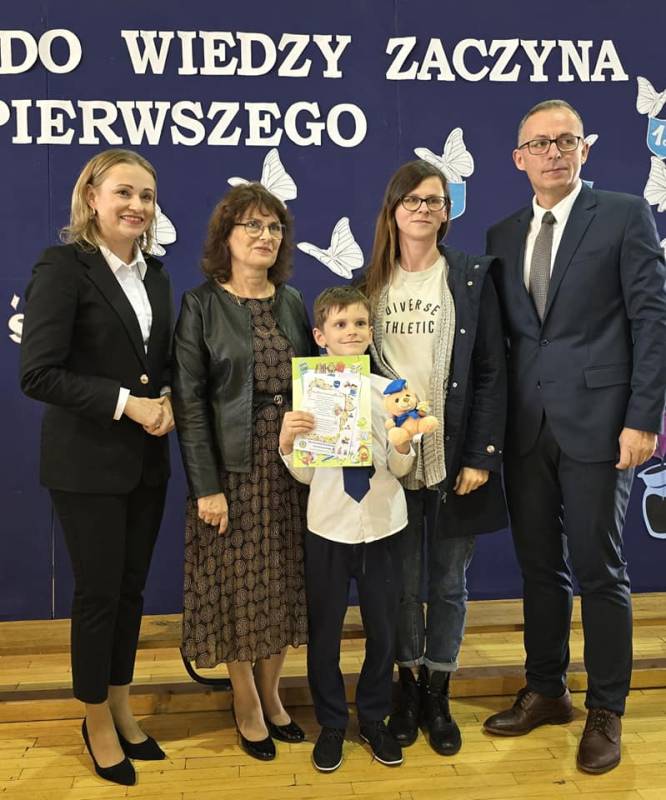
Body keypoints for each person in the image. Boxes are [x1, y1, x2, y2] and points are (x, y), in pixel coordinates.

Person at [484, 99, 666, 774]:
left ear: (584, 149)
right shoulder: (502, 234)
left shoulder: (623, 214)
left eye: (566, 141)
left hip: (603, 427)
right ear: (519, 158)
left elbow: (653, 321)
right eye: (540, 143)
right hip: (526, 429)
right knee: (539, 568)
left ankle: (606, 708)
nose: (553, 152)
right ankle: (547, 689)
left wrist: (644, 418)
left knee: (599, 569)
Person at [20, 149, 174, 786]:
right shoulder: (63, 267)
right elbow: (39, 373)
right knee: (98, 596)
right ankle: (95, 721)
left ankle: (121, 704)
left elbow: (157, 365)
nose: (137, 205)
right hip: (86, 466)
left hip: (147, 464)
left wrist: (167, 401)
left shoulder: (156, 274)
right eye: (124, 193)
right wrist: (126, 403)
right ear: (92, 197)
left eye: (146, 196)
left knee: (131, 592)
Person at [360, 160, 507, 756]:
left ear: (447, 213)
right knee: (401, 585)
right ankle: (408, 689)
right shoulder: (369, 285)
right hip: (392, 464)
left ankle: (439, 692)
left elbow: (492, 370)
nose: (424, 209)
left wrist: (480, 456)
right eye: (413, 200)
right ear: (393, 209)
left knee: (447, 584)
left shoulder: (469, 278)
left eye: (435, 200)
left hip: (455, 462)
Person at [172, 183, 318, 762]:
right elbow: (189, 402)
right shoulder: (201, 305)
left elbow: (315, 378)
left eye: (274, 227)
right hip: (231, 471)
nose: (265, 236)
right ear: (226, 237)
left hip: (290, 466)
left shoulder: (293, 301)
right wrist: (206, 486)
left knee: (282, 581)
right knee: (237, 587)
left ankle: (272, 692)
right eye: (252, 225)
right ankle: (245, 700)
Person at [279, 285, 415, 772]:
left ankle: (375, 717)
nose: (351, 332)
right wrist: (288, 441)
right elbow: (304, 476)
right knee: (326, 632)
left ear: (371, 332)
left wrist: (403, 441)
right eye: (340, 324)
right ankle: (332, 722)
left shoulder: (389, 392)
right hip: (329, 527)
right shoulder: (309, 395)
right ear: (320, 336)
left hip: (383, 525)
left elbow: (401, 469)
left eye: (359, 323)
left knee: (383, 629)